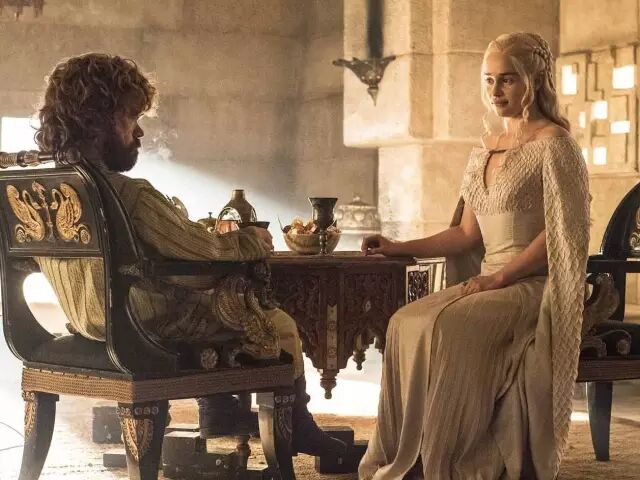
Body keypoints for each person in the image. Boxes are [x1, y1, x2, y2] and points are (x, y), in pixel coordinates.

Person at [33, 52, 346, 457]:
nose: (139, 132)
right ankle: (296, 426)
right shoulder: (128, 195)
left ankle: (219, 410)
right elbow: (203, 249)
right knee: (277, 322)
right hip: (142, 327)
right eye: (131, 117)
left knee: (206, 296)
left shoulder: (44, 191)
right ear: (96, 122)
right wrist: (250, 239)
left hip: (88, 321)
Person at [358, 32, 590, 479]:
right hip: (487, 284)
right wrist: (398, 246)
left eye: (507, 79)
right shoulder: (484, 148)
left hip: (531, 286)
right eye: (489, 80)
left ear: (533, 79)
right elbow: (465, 235)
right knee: (404, 322)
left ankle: (451, 459)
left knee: (447, 328)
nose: (496, 91)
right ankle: (411, 455)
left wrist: (499, 278)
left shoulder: (556, 144)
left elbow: (563, 232)